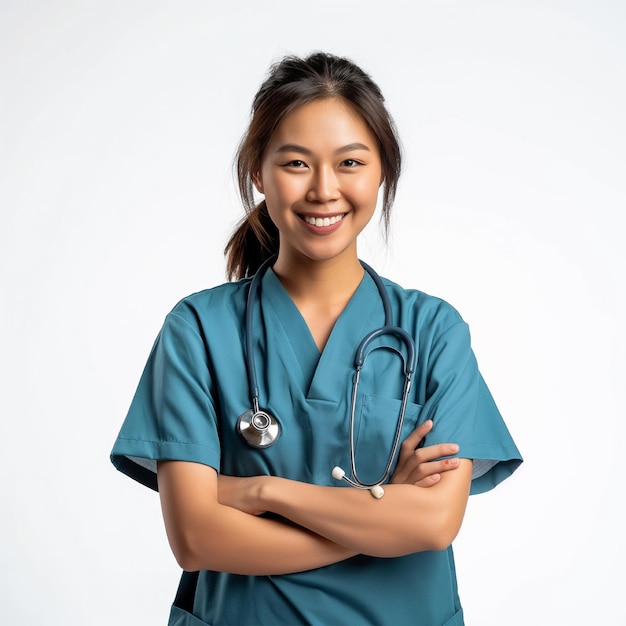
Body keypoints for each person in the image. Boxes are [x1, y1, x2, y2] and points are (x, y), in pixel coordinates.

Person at [111, 51, 522, 626]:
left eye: (350, 162)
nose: (324, 189)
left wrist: (261, 494)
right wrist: (378, 523)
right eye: (297, 164)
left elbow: (431, 524)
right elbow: (198, 537)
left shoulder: (432, 331)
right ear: (259, 172)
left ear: (382, 172)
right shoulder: (198, 330)